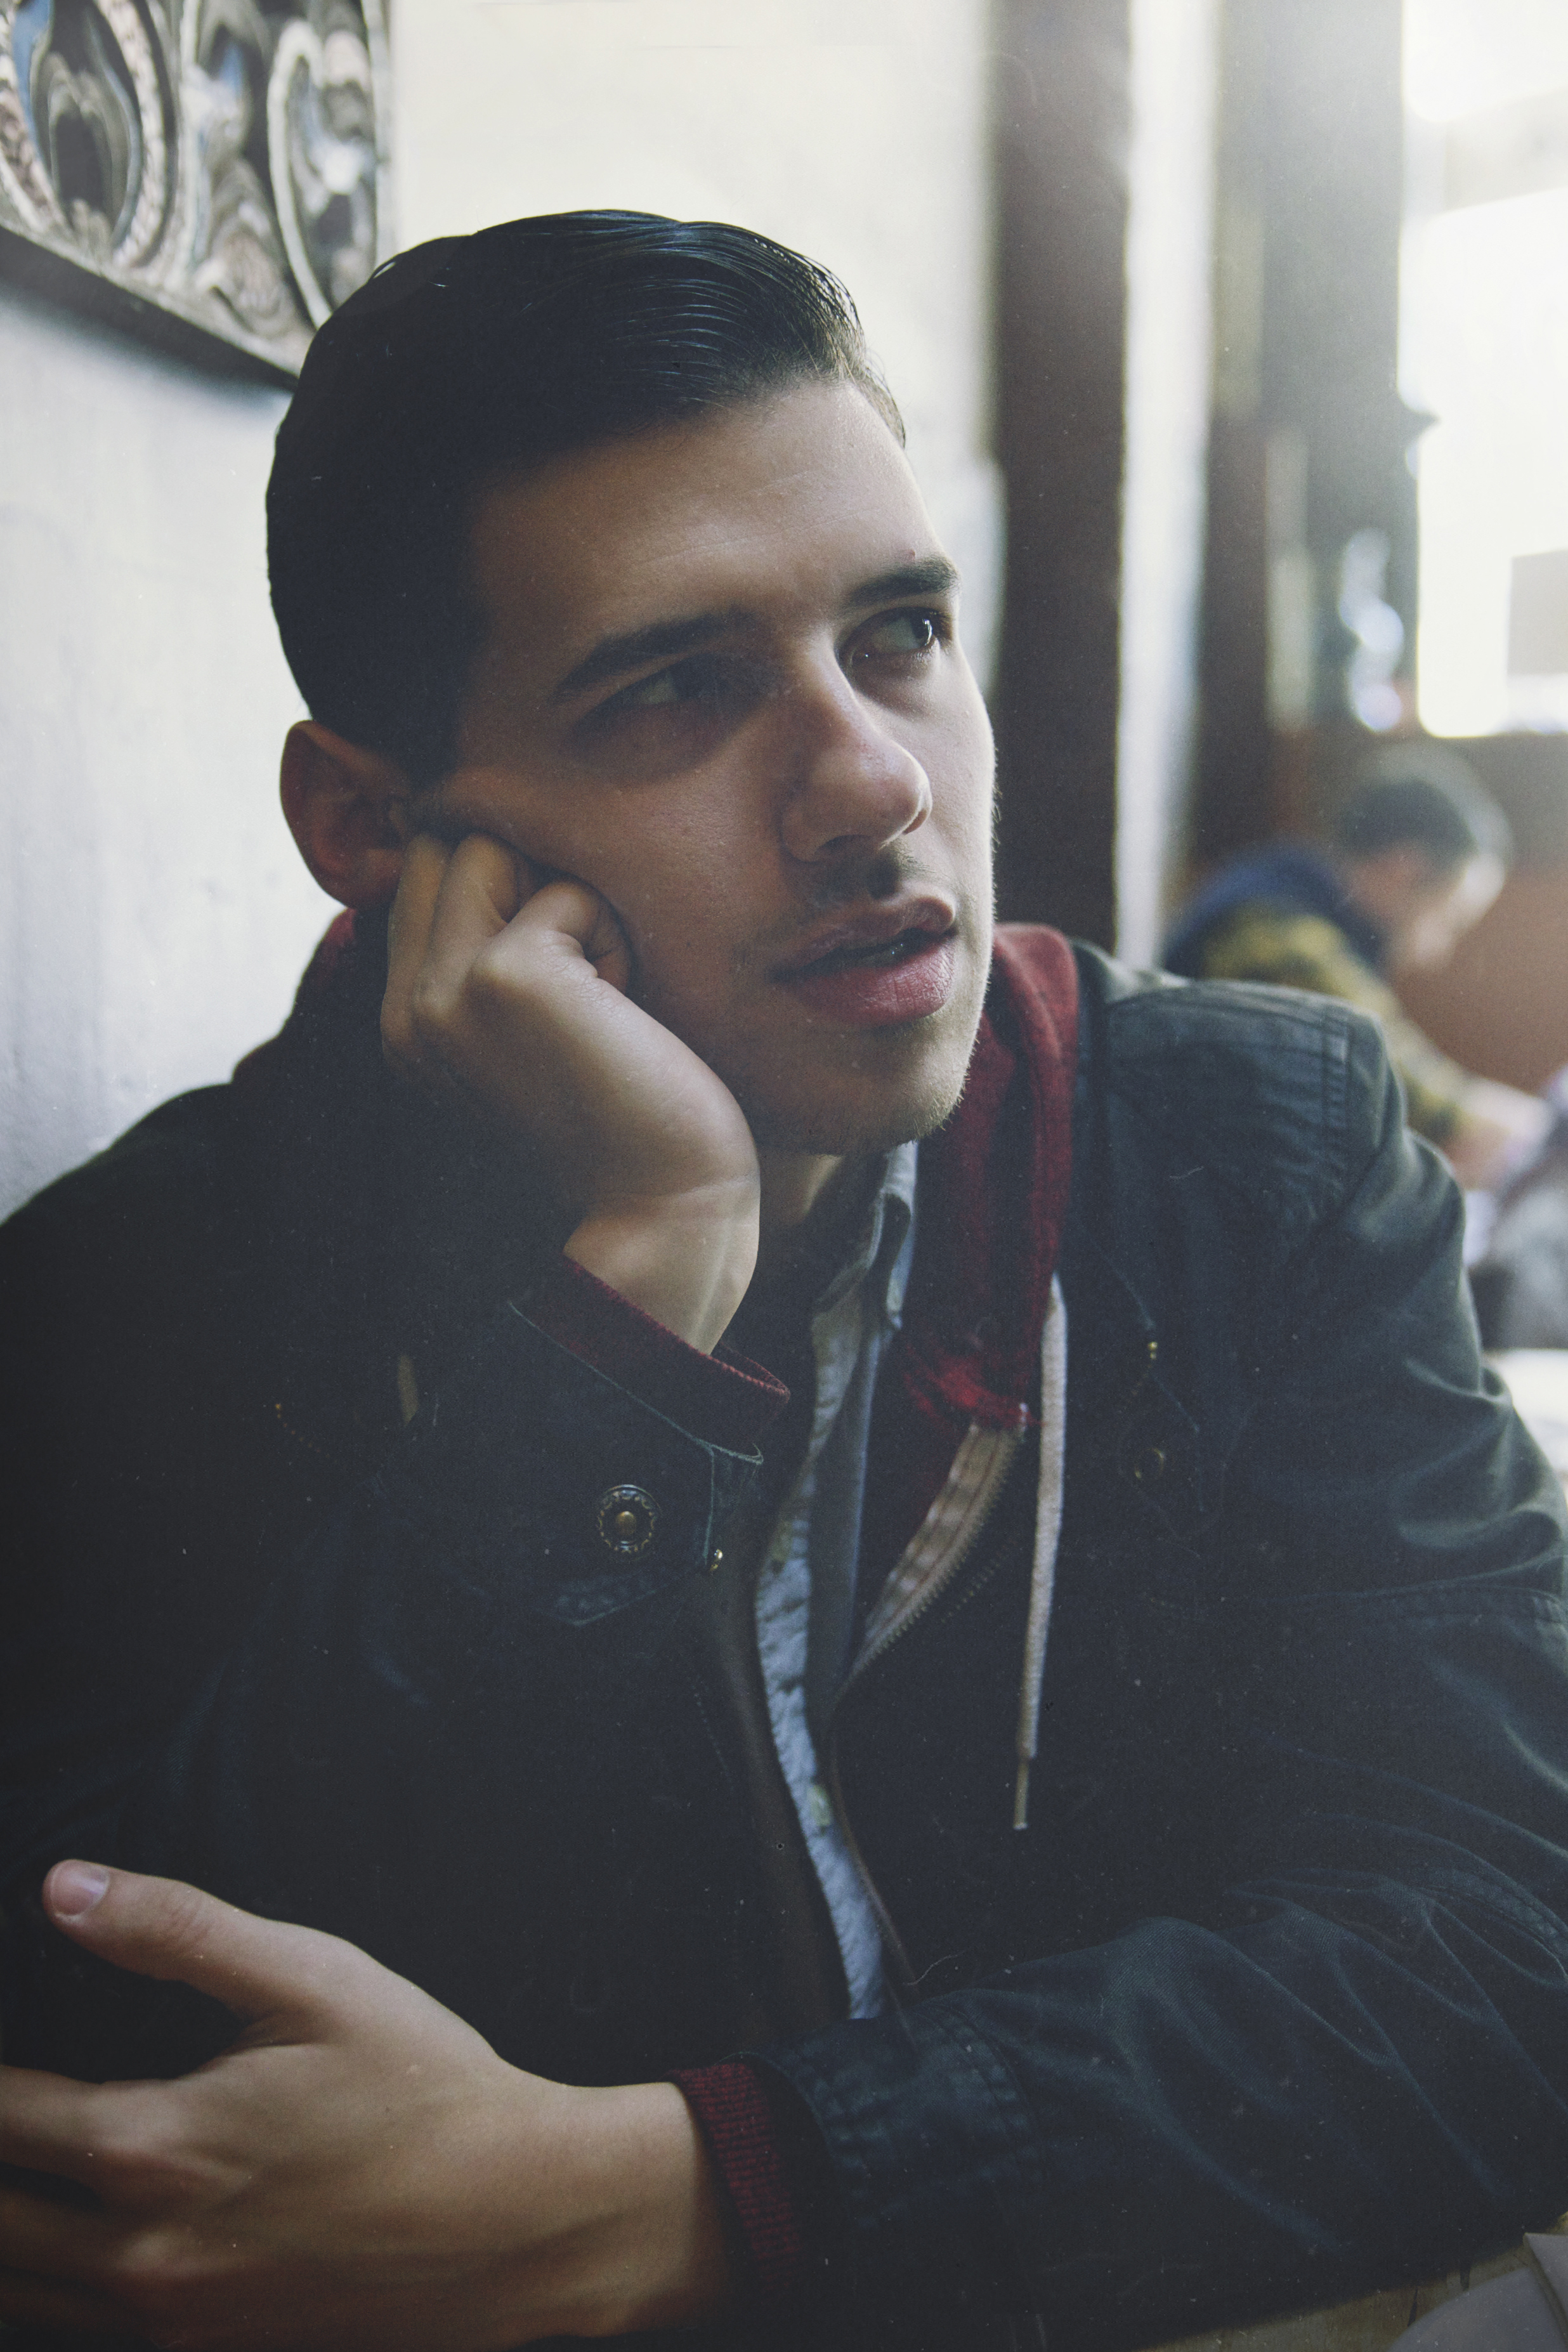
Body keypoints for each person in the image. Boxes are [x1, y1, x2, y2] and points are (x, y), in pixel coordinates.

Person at [3, 212, 1568, 2352]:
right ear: (370, 827)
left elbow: (1512, 1948)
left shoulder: (1250, 1152)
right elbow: (111, 2073)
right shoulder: (137, 1292)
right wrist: (632, 1305)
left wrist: (698, 2197)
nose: (875, 781)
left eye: (901, 632)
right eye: (675, 687)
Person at [1161, 755, 1550, 1189]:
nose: (1438, 952)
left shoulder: (1291, 894)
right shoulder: (1277, 933)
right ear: (1404, 870)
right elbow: (1406, 1088)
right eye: (1449, 918)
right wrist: (1540, 1133)